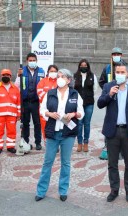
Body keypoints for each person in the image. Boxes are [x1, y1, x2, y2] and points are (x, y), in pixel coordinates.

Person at [97, 63, 128, 203]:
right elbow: (100, 104)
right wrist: (110, 94)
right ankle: (114, 189)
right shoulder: (108, 86)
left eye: (122, 71)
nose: (119, 74)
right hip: (112, 131)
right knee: (112, 163)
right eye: (117, 71)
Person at [35, 69, 84, 202]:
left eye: (62, 77)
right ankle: (41, 191)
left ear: (68, 80)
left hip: (68, 133)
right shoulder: (50, 93)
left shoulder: (75, 94)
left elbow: (81, 112)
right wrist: (50, 114)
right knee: (48, 162)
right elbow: (42, 109)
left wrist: (73, 114)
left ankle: (63, 190)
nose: (59, 79)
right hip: (52, 131)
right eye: (58, 76)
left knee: (65, 163)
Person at [98, 47, 128, 160]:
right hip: (111, 97)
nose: (116, 55)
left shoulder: (126, 66)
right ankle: (107, 145)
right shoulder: (107, 68)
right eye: (114, 54)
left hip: (123, 95)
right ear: (111, 55)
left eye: (118, 54)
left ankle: (123, 148)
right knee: (110, 120)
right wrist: (107, 91)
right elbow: (102, 81)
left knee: (122, 120)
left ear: (121, 55)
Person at [15, 53, 45, 150]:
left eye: (33, 60)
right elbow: (16, 86)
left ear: (36, 61)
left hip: (36, 102)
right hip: (25, 102)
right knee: (25, 123)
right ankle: (26, 142)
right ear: (27, 61)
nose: (32, 62)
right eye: (30, 60)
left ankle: (38, 142)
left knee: (37, 123)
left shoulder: (41, 71)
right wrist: (18, 76)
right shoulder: (22, 71)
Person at [0, 69, 21, 154]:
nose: (5, 76)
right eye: (4, 75)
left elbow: (18, 103)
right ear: (1, 76)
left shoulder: (15, 89)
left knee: (12, 131)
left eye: (7, 75)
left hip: (12, 114)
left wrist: (19, 113)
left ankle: (10, 146)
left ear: (10, 77)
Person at [74, 59, 98, 152]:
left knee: (87, 123)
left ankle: (86, 142)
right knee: (79, 124)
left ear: (88, 66)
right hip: (78, 104)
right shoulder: (75, 76)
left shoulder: (92, 76)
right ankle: (79, 143)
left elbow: (95, 89)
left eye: (85, 65)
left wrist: (89, 96)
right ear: (79, 66)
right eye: (82, 65)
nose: (83, 67)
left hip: (89, 103)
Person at [37, 65, 58, 141]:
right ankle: (47, 144)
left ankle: (56, 144)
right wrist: (51, 100)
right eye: (51, 71)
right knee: (45, 128)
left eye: (55, 71)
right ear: (48, 72)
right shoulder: (42, 81)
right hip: (45, 109)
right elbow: (40, 93)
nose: (53, 73)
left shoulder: (60, 81)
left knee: (57, 128)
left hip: (57, 110)